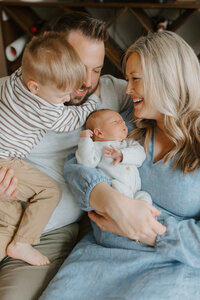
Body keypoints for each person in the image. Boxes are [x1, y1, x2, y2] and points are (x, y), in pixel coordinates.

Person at [0, 12, 156, 300]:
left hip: (48, 233)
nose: (85, 81)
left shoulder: (111, 91)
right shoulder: (16, 93)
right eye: (77, 66)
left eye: (95, 69)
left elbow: (166, 94)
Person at [40, 31, 200, 300]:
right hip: (98, 257)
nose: (127, 90)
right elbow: (77, 164)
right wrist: (111, 200)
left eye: (136, 79)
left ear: (167, 78)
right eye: (127, 79)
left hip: (170, 265)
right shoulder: (127, 124)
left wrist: (148, 231)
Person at [0, 30, 98, 266]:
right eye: (62, 94)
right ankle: (23, 243)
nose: (65, 100)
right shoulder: (43, 109)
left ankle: (14, 244)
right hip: (5, 161)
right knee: (50, 191)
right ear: (34, 87)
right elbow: (73, 119)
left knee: (10, 219)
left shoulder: (17, 79)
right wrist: (94, 102)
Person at [76, 109, 152, 203]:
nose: (123, 122)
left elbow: (141, 155)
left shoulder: (128, 143)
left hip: (135, 192)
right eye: (115, 121)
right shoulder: (96, 147)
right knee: (116, 193)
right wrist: (85, 140)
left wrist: (122, 155)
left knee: (145, 197)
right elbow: (86, 163)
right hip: (115, 190)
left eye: (122, 120)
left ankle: (142, 215)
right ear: (99, 133)